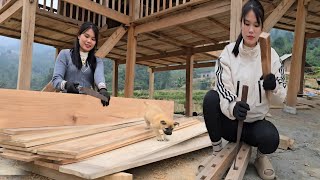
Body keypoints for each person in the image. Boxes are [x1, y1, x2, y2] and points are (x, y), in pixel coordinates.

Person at [202, 0, 286, 179]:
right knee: (210, 99)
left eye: (256, 25)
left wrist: (274, 87)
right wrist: (233, 106)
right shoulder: (228, 53)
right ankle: (217, 150)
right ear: (241, 23)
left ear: (262, 26)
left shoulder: (272, 56)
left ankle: (260, 158)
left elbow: (281, 99)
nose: (251, 30)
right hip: (231, 124)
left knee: (271, 138)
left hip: (254, 125)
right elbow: (222, 87)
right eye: (247, 24)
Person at [52, 22, 110, 107]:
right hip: (65, 103)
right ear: (79, 36)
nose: (89, 41)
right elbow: (56, 80)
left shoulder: (98, 61)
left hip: (87, 105)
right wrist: (66, 85)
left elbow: (99, 77)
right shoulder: (65, 54)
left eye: (93, 39)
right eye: (86, 36)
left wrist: (102, 89)